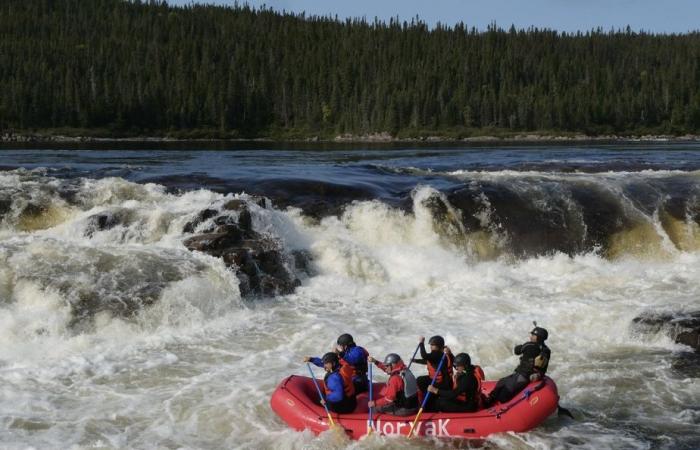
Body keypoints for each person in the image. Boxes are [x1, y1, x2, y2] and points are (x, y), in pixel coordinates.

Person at [486, 324, 550, 405]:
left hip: (523, 376)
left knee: (502, 395)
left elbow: (516, 351)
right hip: (532, 375)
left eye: (533, 335)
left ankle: (495, 402)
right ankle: (491, 398)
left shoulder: (529, 345)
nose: (531, 336)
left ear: (538, 337)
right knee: (501, 382)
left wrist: (523, 345)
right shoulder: (546, 350)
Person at [412, 335, 454, 410]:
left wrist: (421, 343)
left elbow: (424, 356)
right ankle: (426, 396)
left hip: (442, 383)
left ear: (438, 346)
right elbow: (428, 361)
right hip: (444, 381)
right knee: (420, 380)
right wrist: (415, 360)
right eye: (430, 344)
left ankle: (428, 404)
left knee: (421, 381)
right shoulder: (441, 354)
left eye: (432, 345)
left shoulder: (436, 354)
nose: (430, 346)